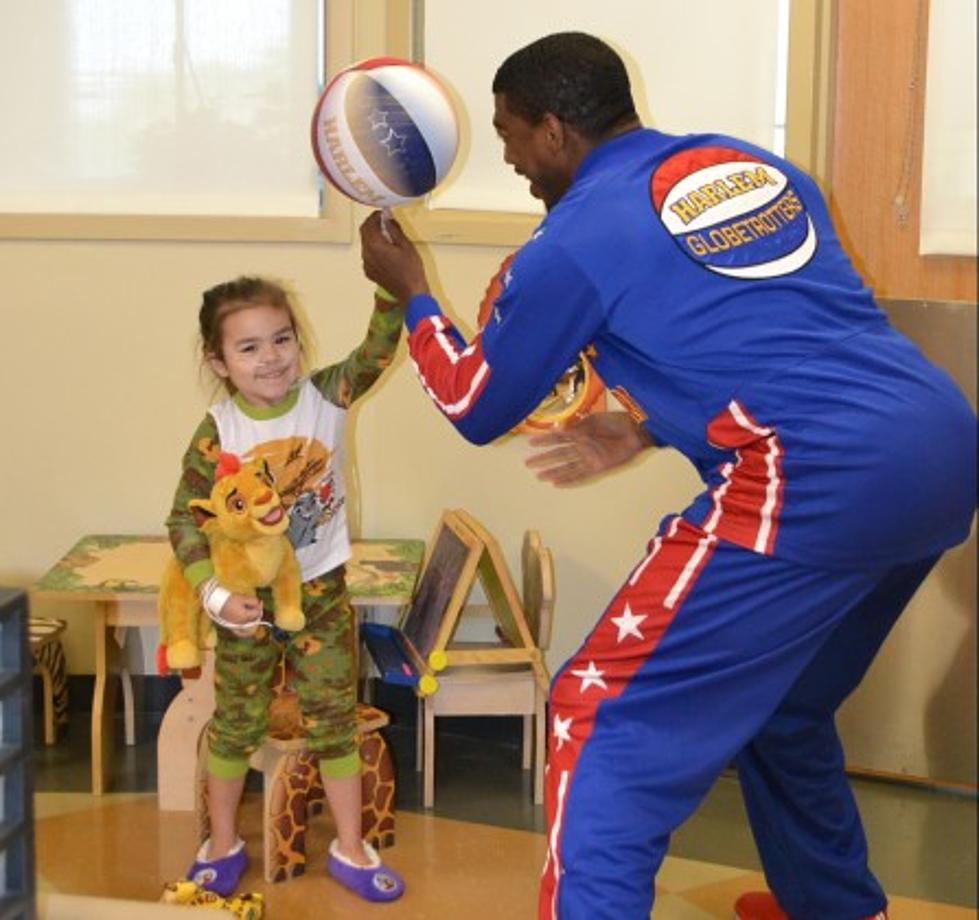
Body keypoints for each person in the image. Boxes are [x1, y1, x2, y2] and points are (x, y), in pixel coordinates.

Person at [359, 31, 977, 920]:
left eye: (508, 134)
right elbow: (777, 333)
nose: (507, 157)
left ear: (554, 130)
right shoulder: (747, 166)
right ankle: (838, 910)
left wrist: (409, 289)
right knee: (785, 707)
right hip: (938, 446)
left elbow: (476, 404)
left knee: (592, 717)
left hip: (810, 478)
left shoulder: (572, 241)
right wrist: (647, 427)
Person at [166, 276, 406, 902]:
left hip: (321, 595)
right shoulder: (217, 429)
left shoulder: (325, 395)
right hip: (246, 604)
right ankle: (220, 843)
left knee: (334, 722)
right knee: (235, 725)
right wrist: (213, 594)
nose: (270, 357)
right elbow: (181, 521)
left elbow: (378, 350)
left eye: (281, 339)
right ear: (218, 362)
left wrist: (390, 285)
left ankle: (350, 846)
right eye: (248, 348)